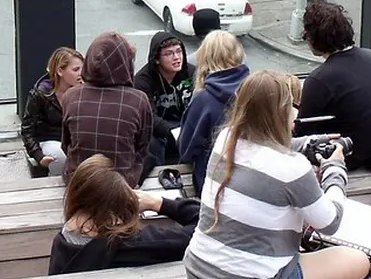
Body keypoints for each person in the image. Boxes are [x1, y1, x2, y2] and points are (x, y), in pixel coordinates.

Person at [184, 70, 370, 279]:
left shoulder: (226, 138)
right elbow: (331, 222)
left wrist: (308, 143)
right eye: (292, 105)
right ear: (280, 112)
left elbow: (264, 145)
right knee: (357, 261)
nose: (296, 111)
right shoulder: (293, 168)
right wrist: (334, 170)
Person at [48, 154, 201, 275]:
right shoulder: (131, 244)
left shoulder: (61, 240)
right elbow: (206, 227)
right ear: (117, 208)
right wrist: (158, 203)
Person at [296, 1, 371, 169]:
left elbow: (302, 134)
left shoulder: (319, 79)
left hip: (342, 157)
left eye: (306, 35)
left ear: (314, 39)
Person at [61, 31, 153, 188]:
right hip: (120, 185)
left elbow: (66, 144)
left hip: (78, 182)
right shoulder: (139, 100)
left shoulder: (71, 96)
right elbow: (142, 147)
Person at [178, 30, 250, 195]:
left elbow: (187, 150)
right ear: (239, 54)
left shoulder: (203, 100)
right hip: (253, 180)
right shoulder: (255, 90)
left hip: (215, 186)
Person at [132, 31, 195, 166]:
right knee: (152, 140)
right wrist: (172, 131)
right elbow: (148, 116)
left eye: (179, 51)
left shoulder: (192, 73)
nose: (176, 57)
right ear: (156, 59)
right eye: (169, 54)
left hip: (185, 125)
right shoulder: (142, 81)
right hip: (159, 130)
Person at [20, 47, 84, 175]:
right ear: (60, 71)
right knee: (59, 157)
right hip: (49, 140)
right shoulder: (40, 95)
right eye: (76, 70)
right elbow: (27, 130)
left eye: (83, 69)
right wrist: (39, 156)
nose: (81, 73)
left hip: (74, 141)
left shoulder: (83, 92)